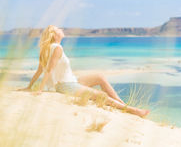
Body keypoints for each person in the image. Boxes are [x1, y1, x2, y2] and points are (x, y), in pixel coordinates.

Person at [19, 25, 149, 118]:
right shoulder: (57, 48)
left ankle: (122, 104)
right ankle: (132, 110)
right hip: (66, 86)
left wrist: (29, 86)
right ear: (53, 35)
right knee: (101, 96)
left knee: (99, 77)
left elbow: (38, 71)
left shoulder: (45, 49)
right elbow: (48, 70)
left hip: (71, 81)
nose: (62, 30)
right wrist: (40, 89)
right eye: (59, 29)